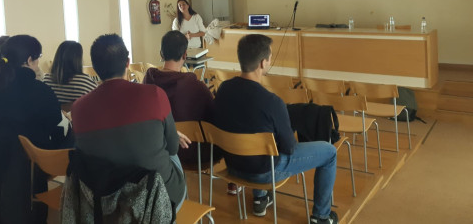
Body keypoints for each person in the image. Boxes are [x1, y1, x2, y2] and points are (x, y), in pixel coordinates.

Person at [214, 34, 338, 223]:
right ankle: (321, 216)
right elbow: (289, 148)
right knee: (329, 152)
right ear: (263, 63)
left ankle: (260, 199)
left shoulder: (223, 89)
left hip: (232, 167)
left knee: (255, 137)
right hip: (264, 173)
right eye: (270, 57)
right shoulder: (272, 102)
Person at [71, 34, 187, 212]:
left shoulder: (78, 109)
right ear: (127, 62)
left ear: (94, 67)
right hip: (157, 202)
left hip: (106, 204)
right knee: (172, 151)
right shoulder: (155, 94)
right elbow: (172, 149)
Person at [0, 35, 67, 223]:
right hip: (29, 167)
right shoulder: (39, 90)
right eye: (38, 57)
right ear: (29, 60)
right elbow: (55, 126)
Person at [144, 30, 218, 166]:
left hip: (159, 148)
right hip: (192, 152)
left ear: (161, 53)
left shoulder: (149, 79)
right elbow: (214, 116)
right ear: (185, 55)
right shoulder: (195, 85)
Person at [43, 40, 98, 110]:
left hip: (56, 120)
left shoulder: (46, 79)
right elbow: (98, 99)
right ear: (78, 60)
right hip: (79, 119)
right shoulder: (84, 81)